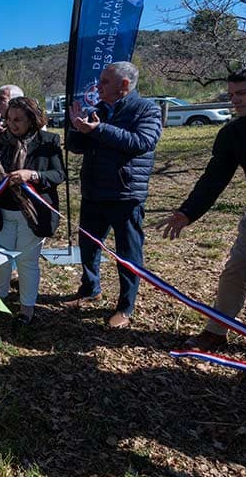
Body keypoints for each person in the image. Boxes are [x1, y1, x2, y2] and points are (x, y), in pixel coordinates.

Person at [157, 64, 246, 351]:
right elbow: (214, 177)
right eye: (231, 93)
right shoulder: (234, 132)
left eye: (243, 93)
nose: (234, 100)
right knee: (236, 269)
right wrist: (188, 212)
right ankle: (216, 331)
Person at [64, 61, 162, 329]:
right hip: (94, 191)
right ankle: (89, 289)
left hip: (125, 194)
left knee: (127, 253)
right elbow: (77, 147)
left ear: (125, 85)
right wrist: (76, 127)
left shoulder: (146, 110)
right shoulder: (97, 111)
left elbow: (142, 142)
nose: (99, 86)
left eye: (105, 82)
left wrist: (99, 129)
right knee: (88, 245)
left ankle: (125, 306)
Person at [0, 97, 65, 325]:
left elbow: (58, 175)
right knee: (0, 261)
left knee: (27, 262)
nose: (12, 124)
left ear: (32, 120)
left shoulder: (48, 141)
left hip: (33, 214)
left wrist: (32, 175)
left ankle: (26, 310)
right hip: (3, 213)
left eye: (18, 119)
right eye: (9, 119)